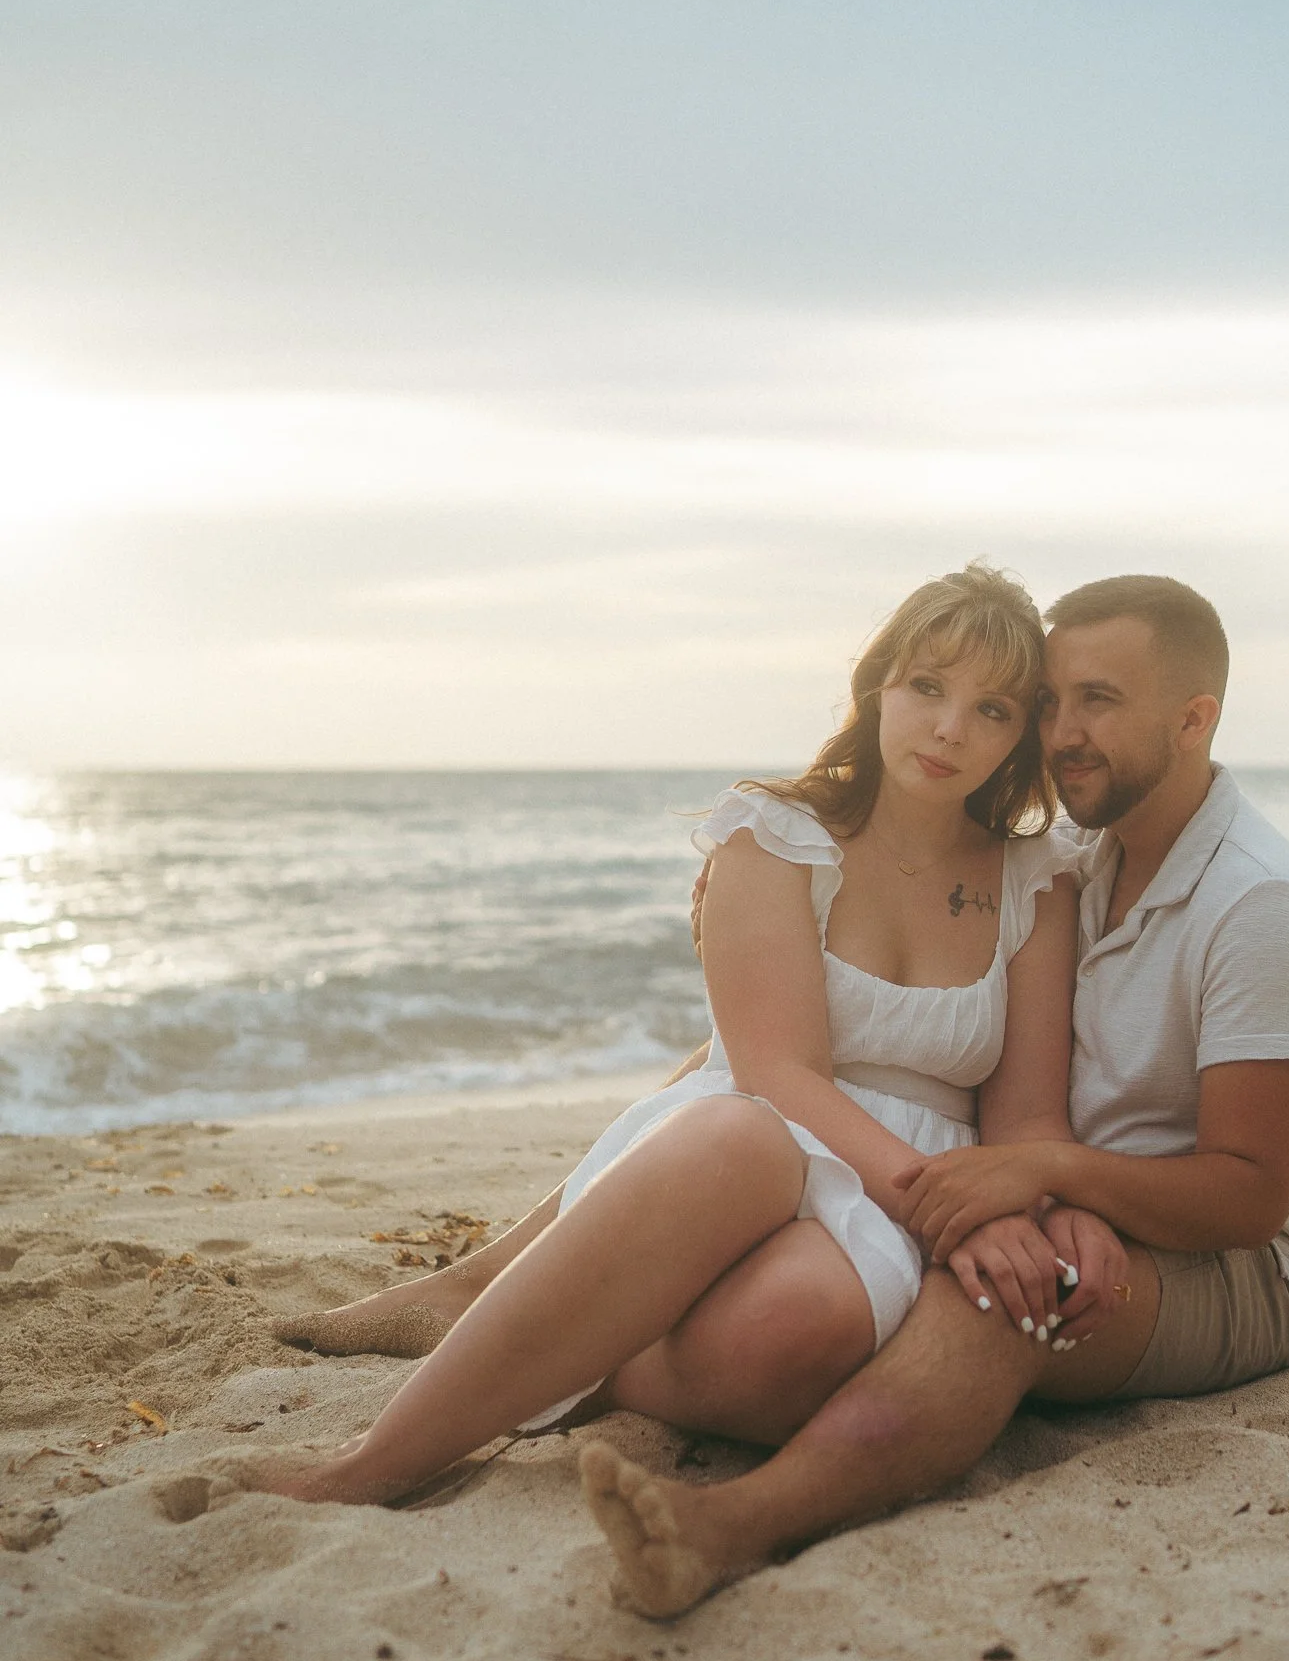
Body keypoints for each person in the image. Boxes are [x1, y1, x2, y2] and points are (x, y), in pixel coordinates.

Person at [577, 575, 1289, 1617]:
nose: (1062, 732)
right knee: (758, 1077)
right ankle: (534, 1290)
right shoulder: (1081, 851)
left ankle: (732, 1525)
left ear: (1193, 718)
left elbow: (1252, 1197)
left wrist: (1044, 1178)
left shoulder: (1261, 903)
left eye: (1099, 701)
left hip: (1231, 1268)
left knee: (998, 1301)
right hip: (1069, 1191)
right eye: (1048, 701)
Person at [258, 562, 1082, 1503]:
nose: (949, 728)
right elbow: (775, 1069)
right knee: (739, 1134)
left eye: (993, 710)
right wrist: (943, 1205)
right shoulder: (774, 834)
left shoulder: (1035, 882)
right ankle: (369, 1466)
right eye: (928, 687)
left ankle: (568, 1349)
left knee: (798, 1332)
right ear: (879, 685)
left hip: (910, 1173)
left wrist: (997, 1209)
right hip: (746, 1140)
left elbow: (1026, 1115)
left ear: (1021, 737)